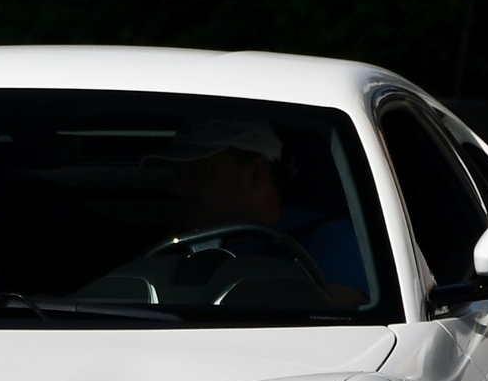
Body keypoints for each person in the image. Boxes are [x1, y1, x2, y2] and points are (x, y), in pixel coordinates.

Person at [150, 120, 365, 303]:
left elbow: (334, 322)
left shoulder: (331, 241)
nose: (178, 188)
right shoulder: (172, 251)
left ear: (257, 174)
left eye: (198, 173)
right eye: (177, 175)